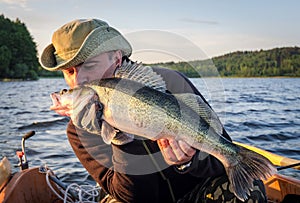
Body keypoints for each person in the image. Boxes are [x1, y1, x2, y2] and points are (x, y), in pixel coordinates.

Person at [40, 19, 267, 203]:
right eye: (69, 72)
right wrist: (121, 140)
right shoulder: (78, 130)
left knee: (252, 190)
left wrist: (187, 162)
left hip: (192, 195)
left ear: (117, 58)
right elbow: (132, 197)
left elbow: (218, 161)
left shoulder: (172, 83)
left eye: (88, 66)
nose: (79, 80)